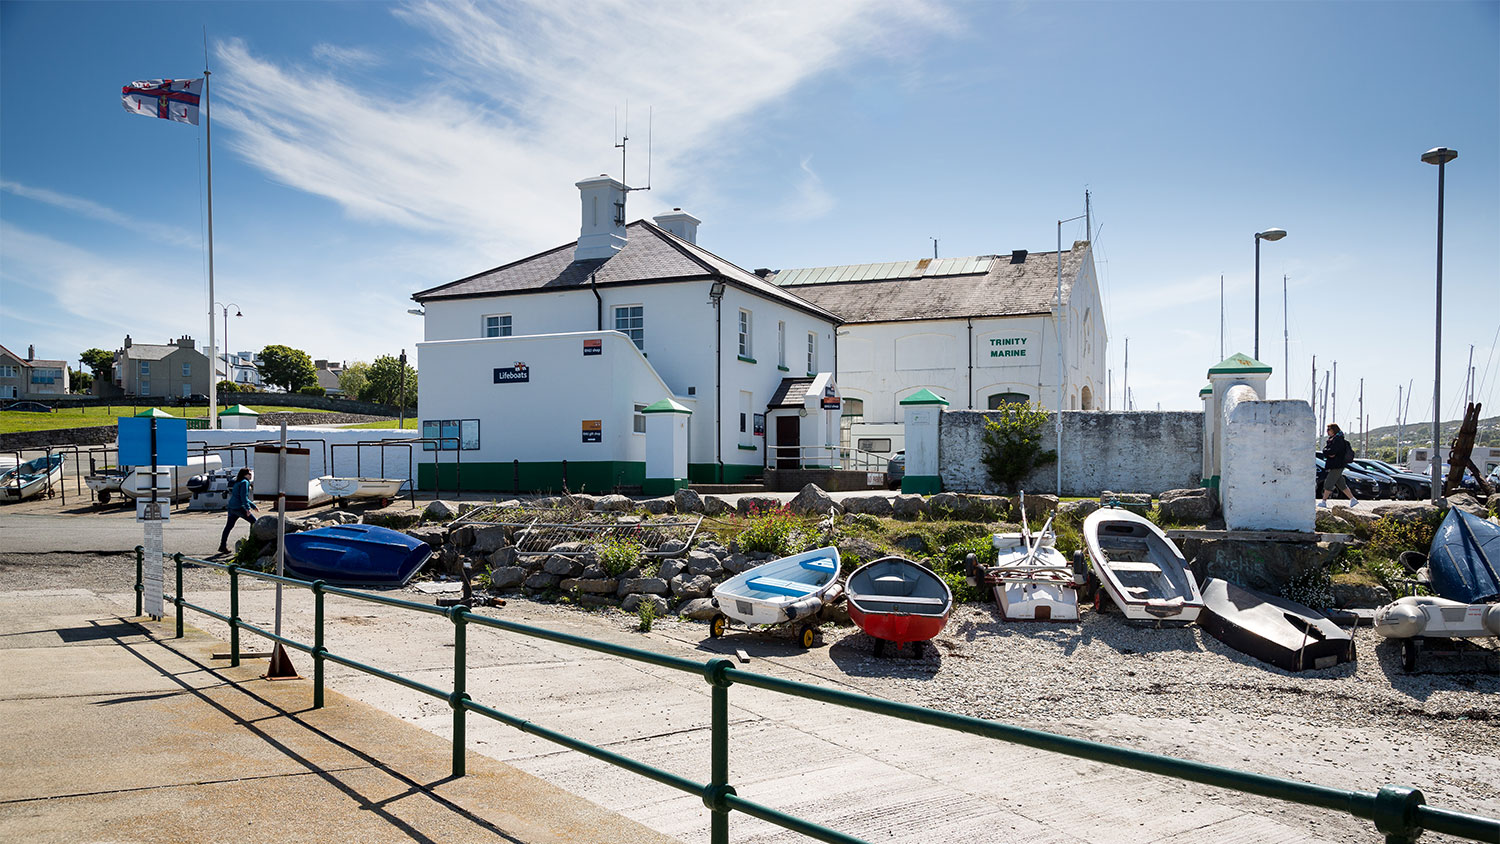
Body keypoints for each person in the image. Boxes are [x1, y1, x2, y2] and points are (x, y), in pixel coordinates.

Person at [218, 468, 258, 554]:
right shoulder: (245, 482)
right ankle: (252, 542)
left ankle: (222, 545)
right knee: (254, 522)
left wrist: (253, 506)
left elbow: (240, 496)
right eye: (250, 474)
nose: (251, 476)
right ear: (245, 475)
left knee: (228, 527)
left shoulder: (238, 482)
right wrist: (248, 509)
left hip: (231, 507)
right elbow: (243, 497)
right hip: (239, 507)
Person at [1318, 423, 1357, 508]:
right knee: (1341, 484)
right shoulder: (1333, 440)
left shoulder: (1337, 440)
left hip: (1337, 465)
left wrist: (1327, 452)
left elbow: (1331, 452)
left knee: (1328, 483)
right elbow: (1328, 452)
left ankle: (1324, 501)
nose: (1327, 432)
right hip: (1335, 465)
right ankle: (1353, 500)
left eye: (1329, 430)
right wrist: (1327, 452)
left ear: (1334, 430)